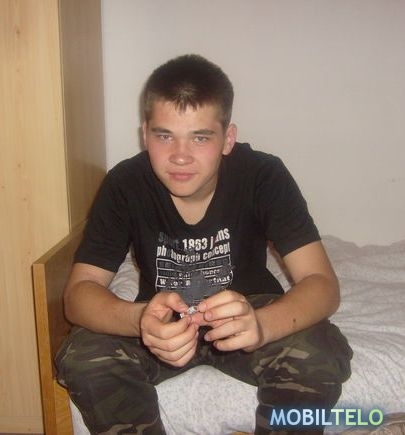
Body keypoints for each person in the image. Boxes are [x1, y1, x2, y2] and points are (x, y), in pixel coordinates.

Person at [56, 54, 352, 435]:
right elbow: (79, 294)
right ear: (145, 134)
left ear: (228, 139)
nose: (180, 156)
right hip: (163, 324)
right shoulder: (124, 184)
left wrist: (261, 325)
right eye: (164, 136)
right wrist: (141, 320)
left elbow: (322, 284)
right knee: (82, 354)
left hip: (247, 313)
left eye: (200, 137)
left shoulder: (263, 176)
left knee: (321, 349)